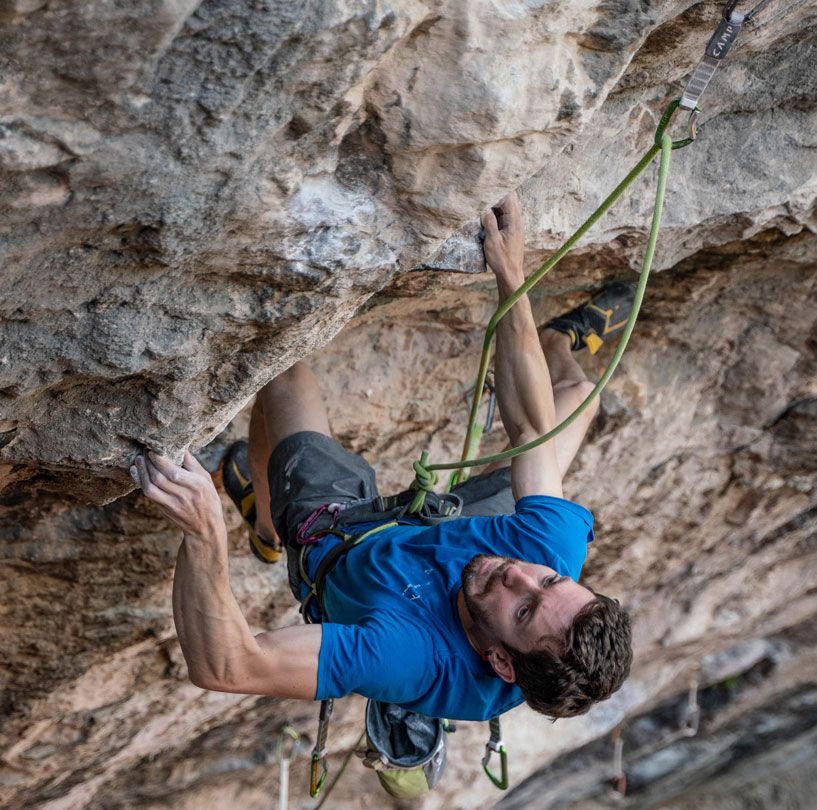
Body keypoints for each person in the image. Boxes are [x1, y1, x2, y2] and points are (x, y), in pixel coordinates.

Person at [131, 194, 632, 721]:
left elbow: (228, 667)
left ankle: (268, 528)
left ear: (502, 662)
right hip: (444, 536)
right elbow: (530, 423)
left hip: (347, 544)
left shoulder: (411, 656)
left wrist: (204, 534)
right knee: (577, 397)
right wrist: (511, 277)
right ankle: (558, 339)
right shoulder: (544, 556)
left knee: (282, 374)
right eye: (552, 580)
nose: (520, 576)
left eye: (525, 609)